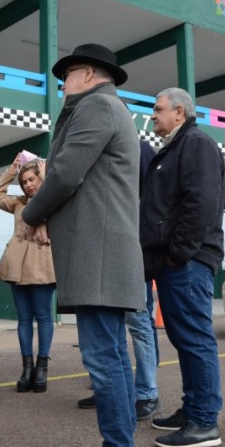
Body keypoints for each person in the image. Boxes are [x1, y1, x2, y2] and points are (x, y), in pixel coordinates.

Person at [22, 43, 146, 447]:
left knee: (103, 359)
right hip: (102, 254)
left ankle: (118, 443)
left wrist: (30, 214)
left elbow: (64, 173)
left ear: (89, 74)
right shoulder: (106, 108)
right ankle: (121, 441)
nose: (62, 86)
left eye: (67, 76)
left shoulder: (97, 108)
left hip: (99, 256)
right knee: (111, 356)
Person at [140, 87, 225, 447]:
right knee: (185, 340)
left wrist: (179, 253)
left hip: (186, 262)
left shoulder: (196, 143)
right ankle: (192, 411)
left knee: (194, 340)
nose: (153, 116)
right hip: (174, 262)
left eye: (158, 109)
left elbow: (201, 203)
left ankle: (204, 423)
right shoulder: (175, 147)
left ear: (180, 111)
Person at [77, 139, 161, 421]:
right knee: (108, 327)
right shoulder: (97, 148)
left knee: (139, 324)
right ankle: (110, 392)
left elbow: (152, 201)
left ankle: (147, 393)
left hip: (132, 255)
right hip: (102, 254)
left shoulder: (141, 149)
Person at [0, 155, 56, 393]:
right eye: (24, 181)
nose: (29, 184)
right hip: (16, 265)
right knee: (23, 317)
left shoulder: (53, 201)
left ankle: (42, 367)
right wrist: (12, 171)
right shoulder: (19, 203)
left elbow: (57, 196)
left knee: (43, 316)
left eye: (33, 179)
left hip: (42, 265)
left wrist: (48, 176)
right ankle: (26, 367)